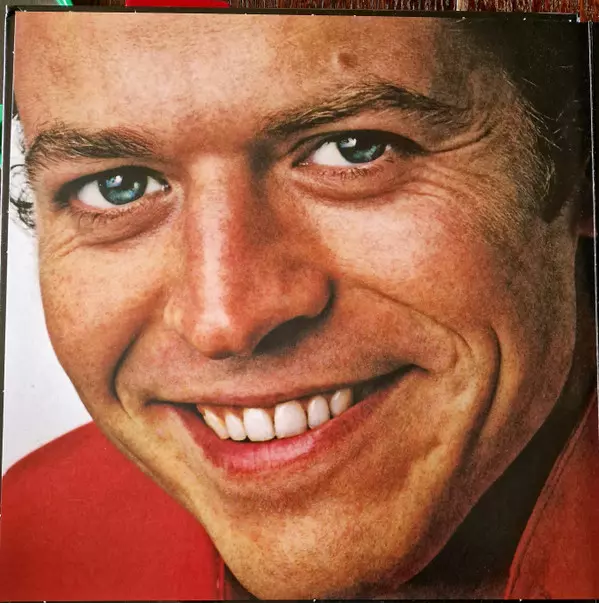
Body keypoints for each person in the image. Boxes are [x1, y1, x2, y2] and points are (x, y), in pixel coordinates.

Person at [0, 10, 597, 600]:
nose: (224, 321)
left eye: (353, 149)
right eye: (117, 186)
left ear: (582, 166)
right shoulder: (30, 541)